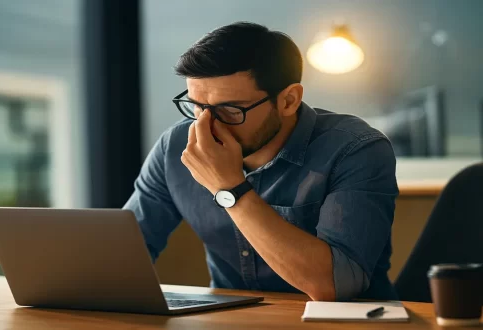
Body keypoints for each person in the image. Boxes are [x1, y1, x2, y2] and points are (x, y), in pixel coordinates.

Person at [124, 22, 398, 301]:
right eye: (196, 106)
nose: (206, 125)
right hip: (228, 321)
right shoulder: (176, 147)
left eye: (229, 109)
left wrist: (230, 189)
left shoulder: (356, 150)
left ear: (289, 100)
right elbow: (125, 251)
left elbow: (334, 286)